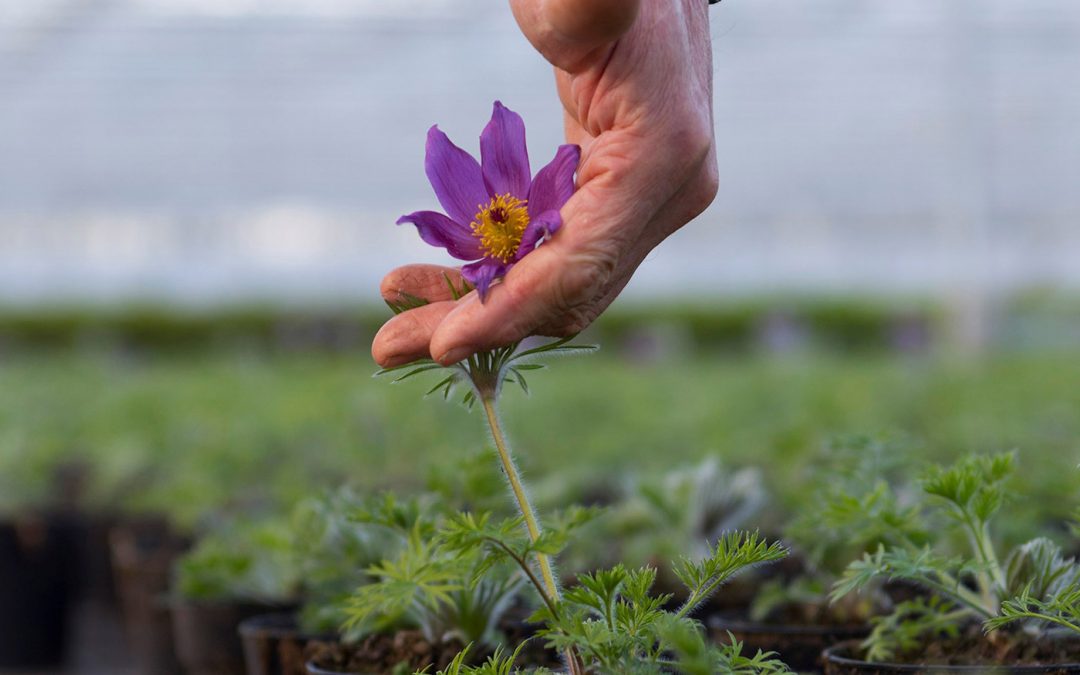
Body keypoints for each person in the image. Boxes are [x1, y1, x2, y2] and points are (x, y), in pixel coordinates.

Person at [372, 0, 718, 368]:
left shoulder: (537, 213)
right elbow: (472, 258)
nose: (498, 216)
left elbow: (550, 210)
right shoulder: (480, 262)